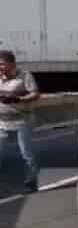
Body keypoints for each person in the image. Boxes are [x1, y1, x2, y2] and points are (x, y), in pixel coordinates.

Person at [0, 50, 41, 191]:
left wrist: (17, 99)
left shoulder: (25, 76)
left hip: (22, 121)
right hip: (2, 122)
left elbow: (35, 94)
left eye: (2, 64)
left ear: (11, 63)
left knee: (26, 154)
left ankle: (31, 182)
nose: (0, 67)